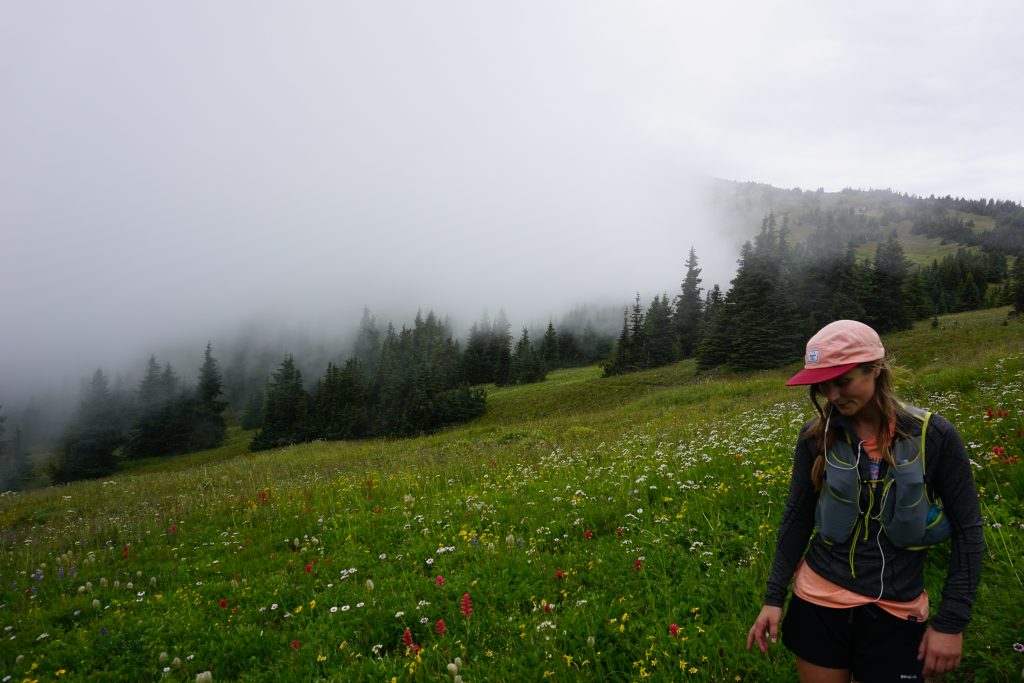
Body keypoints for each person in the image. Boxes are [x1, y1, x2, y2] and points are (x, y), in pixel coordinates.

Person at [745, 320, 983, 682]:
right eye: (823, 384)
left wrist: (951, 623)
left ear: (876, 368)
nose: (833, 395)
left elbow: (969, 531)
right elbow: (797, 518)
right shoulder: (815, 437)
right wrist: (774, 597)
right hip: (817, 604)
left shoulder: (934, 437)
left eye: (843, 381)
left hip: (897, 610)